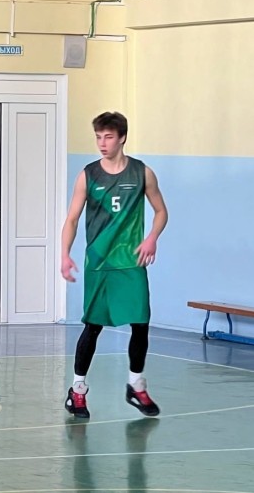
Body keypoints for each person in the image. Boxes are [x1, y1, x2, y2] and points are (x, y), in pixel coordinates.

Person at [61, 111, 168, 419]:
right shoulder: (88, 175)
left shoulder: (142, 173)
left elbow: (161, 211)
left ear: (122, 138)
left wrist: (151, 238)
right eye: (98, 137)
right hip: (99, 262)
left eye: (108, 137)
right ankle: (77, 391)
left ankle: (136, 385)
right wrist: (64, 254)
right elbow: (72, 219)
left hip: (131, 261)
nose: (102, 143)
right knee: (93, 327)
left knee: (141, 323)